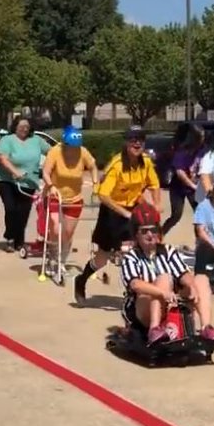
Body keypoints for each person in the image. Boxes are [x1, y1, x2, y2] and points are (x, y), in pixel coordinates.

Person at [75, 125, 161, 304]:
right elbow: (103, 195)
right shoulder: (117, 165)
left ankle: (136, 293)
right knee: (102, 259)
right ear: (126, 143)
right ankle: (81, 280)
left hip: (133, 209)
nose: (137, 144)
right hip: (112, 211)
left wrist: (156, 205)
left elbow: (154, 184)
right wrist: (125, 214)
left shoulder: (146, 162)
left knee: (137, 251)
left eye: (141, 140)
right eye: (133, 140)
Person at [119, 202, 214, 345]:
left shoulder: (168, 251)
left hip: (170, 304)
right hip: (142, 309)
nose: (150, 235)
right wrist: (163, 293)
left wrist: (191, 286)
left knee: (201, 279)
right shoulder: (131, 257)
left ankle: (206, 327)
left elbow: (183, 273)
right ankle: (154, 330)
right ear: (136, 234)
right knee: (163, 279)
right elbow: (135, 285)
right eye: (144, 231)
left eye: (153, 230)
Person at [39, 125, 98, 258]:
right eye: (70, 146)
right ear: (64, 144)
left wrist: (95, 184)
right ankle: (53, 253)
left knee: (68, 233)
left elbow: (93, 167)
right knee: (55, 227)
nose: (73, 150)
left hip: (74, 198)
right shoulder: (55, 152)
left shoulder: (83, 152)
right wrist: (51, 186)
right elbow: (45, 173)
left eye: (76, 147)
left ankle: (63, 260)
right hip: (54, 195)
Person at [0, 115, 50, 251]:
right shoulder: (7, 140)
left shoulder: (36, 140)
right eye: (21, 126)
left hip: (29, 181)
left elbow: (53, 153)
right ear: (15, 127)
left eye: (27, 127)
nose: (24, 129)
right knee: (11, 208)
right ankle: (10, 237)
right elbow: (3, 159)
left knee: (23, 212)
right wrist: (15, 171)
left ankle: (19, 241)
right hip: (6, 180)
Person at [162, 124, 204, 236]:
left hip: (196, 187)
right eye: (201, 136)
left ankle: (200, 240)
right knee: (176, 215)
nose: (203, 139)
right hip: (178, 188)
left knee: (200, 216)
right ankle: (159, 236)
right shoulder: (182, 152)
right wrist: (193, 186)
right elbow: (180, 173)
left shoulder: (202, 150)